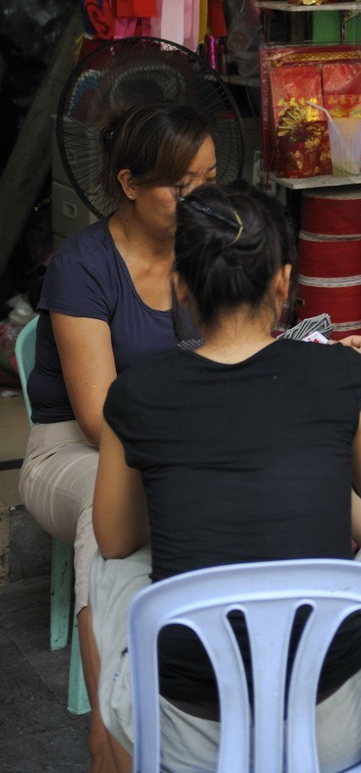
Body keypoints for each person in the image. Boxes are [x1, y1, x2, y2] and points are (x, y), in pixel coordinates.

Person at [90, 183, 361, 773]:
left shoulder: (135, 394)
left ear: (179, 286)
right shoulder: (344, 374)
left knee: (104, 559)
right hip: (334, 722)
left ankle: (118, 760)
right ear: (283, 283)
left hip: (183, 736)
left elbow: (114, 540)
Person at [20, 102, 216, 773]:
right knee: (116, 499)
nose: (201, 199)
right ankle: (112, 736)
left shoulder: (209, 255)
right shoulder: (81, 266)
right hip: (69, 452)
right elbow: (102, 418)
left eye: (210, 179)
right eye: (182, 186)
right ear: (129, 184)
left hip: (180, 450)